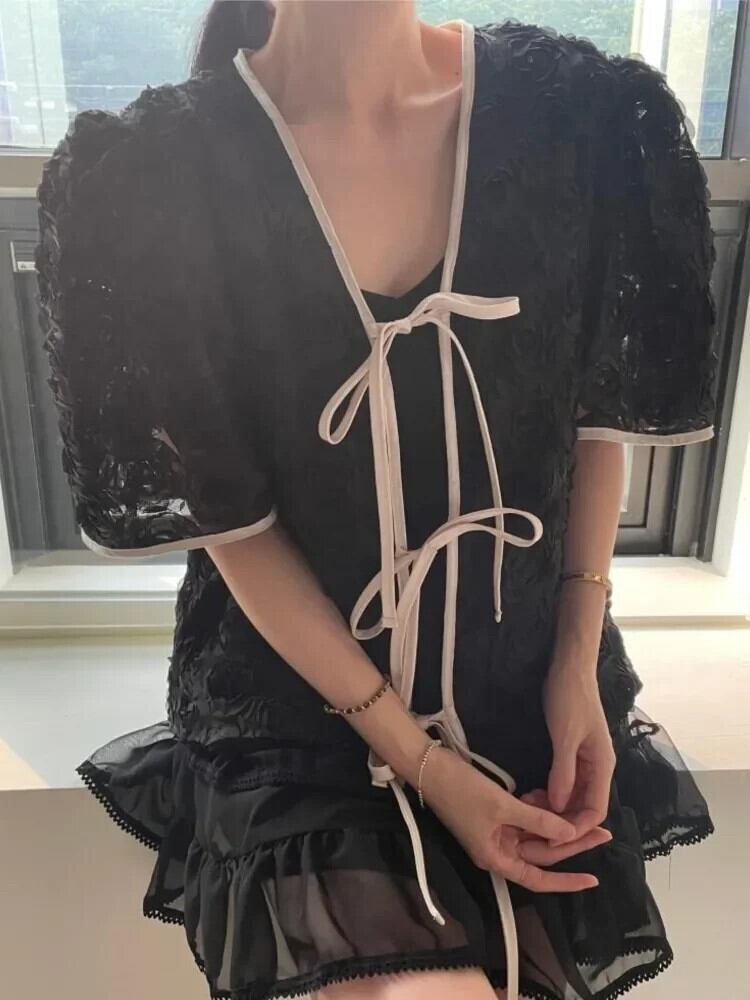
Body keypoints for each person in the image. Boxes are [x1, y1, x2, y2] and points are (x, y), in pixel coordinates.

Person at [34, 3, 719, 998]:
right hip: (304, 714)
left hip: (533, 687)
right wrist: (425, 765)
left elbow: (593, 416)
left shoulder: (581, 117)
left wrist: (577, 658)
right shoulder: (150, 177)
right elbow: (236, 527)